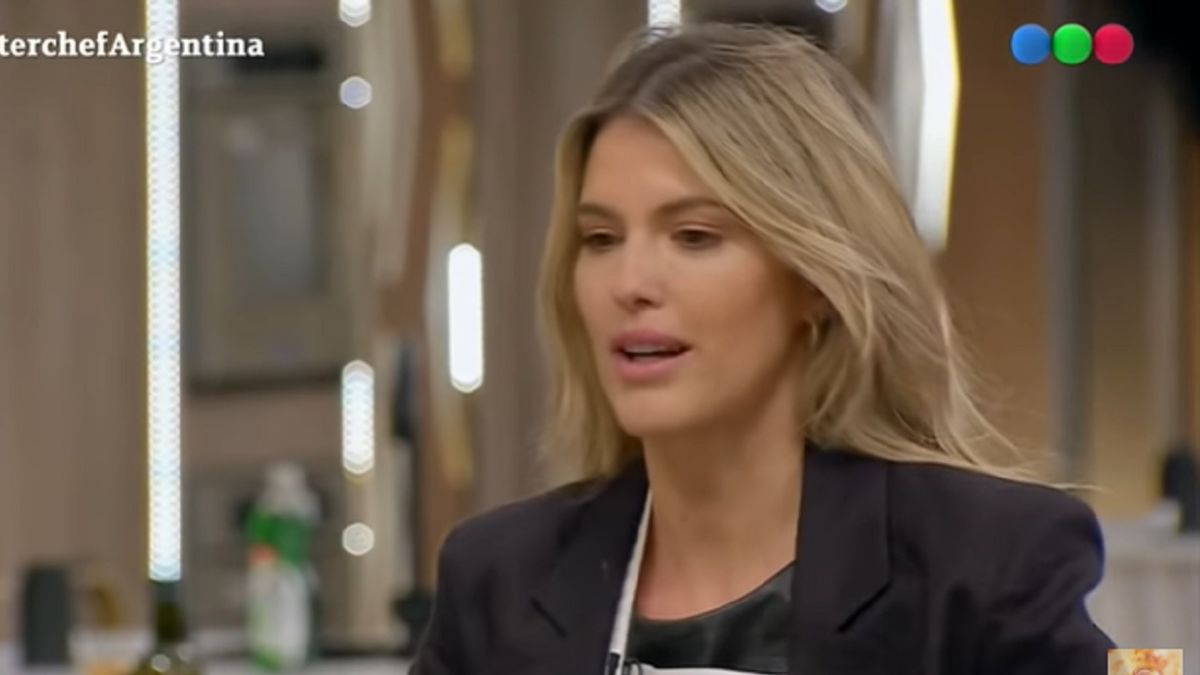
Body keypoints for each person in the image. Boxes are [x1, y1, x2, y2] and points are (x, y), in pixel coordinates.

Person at [411, 23, 1115, 674]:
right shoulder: (497, 580)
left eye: (694, 237)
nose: (629, 284)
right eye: (601, 239)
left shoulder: (985, 555)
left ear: (813, 279)